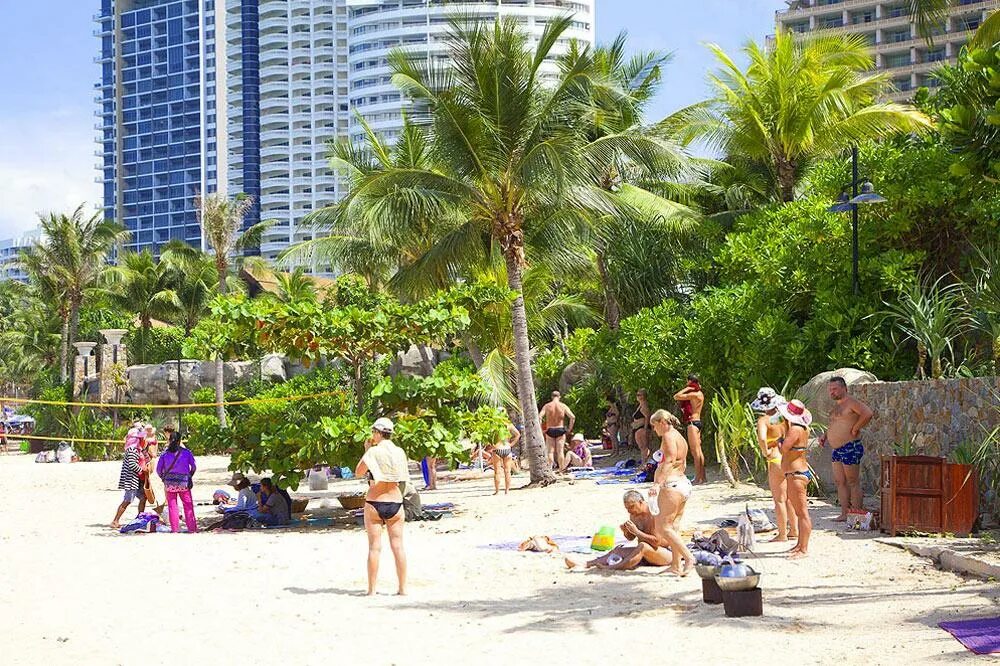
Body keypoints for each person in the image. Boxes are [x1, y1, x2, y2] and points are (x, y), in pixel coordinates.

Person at [355, 417, 409, 596]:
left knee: (374, 547)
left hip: (374, 501)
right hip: (395, 501)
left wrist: (367, 451)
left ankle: (371, 590)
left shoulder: (374, 451)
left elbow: (358, 472)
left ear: (378, 433)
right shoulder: (399, 451)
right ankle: (402, 588)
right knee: (398, 546)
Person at [565, 490, 673, 571]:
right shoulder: (634, 515)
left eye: (632, 507)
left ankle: (615, 567)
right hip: (645, 553)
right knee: (617, 550)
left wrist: (636, 531)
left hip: (664, 553)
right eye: (627, 508)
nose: (630, 511)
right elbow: (631, 538)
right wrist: (627, 532)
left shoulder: (653, 514)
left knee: (643, 546)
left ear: (641, 502)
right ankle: (586, 563)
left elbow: (656, 541)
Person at [647, 410, 696, 576]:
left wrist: (657, 484)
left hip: (672, 485)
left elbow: (669, 460)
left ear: (662, 422)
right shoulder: (679, 436)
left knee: (663, 527)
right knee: (674, 526)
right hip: (682, 483)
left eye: (654, 426)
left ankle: (688, 558)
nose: (655, 430)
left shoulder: (668, 436)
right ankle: (675, 565)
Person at [820, 376, 874, 521]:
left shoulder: (851, 402)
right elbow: (834, 424)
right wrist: (825, 436)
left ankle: (857, 515)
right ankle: (845, 513)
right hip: (837, 449)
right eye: (830, 389)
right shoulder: (836, 406)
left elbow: (867, 413)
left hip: (850, 446)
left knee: (852, 481)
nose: (832, 392)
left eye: (835, 389)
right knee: (839, 481)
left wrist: (856, 428)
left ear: (844, 388)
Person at [751, 388, 796, 543]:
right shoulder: (784, 418)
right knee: (790, 497)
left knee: (779, 499)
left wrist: (765, 452)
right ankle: (794, 530)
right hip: (788, 458)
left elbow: (762, 439)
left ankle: (782, 534)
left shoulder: (764, 420)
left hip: (775, 458)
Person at [777, 399, 814, 559]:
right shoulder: (803, 428)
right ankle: (800, 544)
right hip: (796, 472)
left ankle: (803, 549)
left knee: (802, 513)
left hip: (796, 474)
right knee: (800, 513)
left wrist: (779, 442)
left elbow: (784, 449)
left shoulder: (795, 430)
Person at [156, 431, 198, 533]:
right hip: (184, 483)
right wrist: (189, 476)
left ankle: (175, 529)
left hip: (169, 483)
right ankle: (192, 528)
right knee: (188, 505)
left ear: (169, 440)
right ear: (180, 441)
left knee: (172, 505)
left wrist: (164, 478)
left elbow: (158, 469)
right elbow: (193, 467)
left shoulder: (164, 454)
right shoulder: (187, 452)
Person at [674, 375, 706, 484]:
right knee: (699, 451)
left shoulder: (693, 394)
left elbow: (677, 396)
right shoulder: (700, 394)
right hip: (698, 421)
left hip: (692, 423)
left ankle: (698, 478)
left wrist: (688, 388)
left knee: (695, 452)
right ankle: (703, 476)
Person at [111, 430, 145, 529]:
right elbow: (132, 464)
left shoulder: (135, 450)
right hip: (131, 480)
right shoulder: (132, 450)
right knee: (127, 500)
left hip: (135, 479)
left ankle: (140, 518)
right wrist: (142, 470)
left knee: (143, 497)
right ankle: (115, 521)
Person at [539, 391, 575, 472]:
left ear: (552, 397)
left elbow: (539, 417)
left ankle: (550, 470)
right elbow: (572, 417)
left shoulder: (547, 406)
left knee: (550, 452)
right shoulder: (563, 406)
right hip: (560, 429)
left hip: (550, 429)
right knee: (560, 451)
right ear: (559, 397)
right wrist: (569, 429)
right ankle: (561, 470)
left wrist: (541, 429)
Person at [489, 422, 520, 495]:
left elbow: (488, 437)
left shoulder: (493, 424)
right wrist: (511, 444)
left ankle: (497, 491)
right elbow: (518, 434)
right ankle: (507, 490)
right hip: (507, 448)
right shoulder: (509, 424)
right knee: (507, 471)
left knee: (497, 472)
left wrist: (491, 445)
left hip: (497, 448)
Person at [630, 389, 652, 462]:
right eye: (637, 395)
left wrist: (645, 429)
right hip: (638, 428)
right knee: (642, 447)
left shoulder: (644, 405)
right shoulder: (640, 405)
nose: (638, 396)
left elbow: (647, 417)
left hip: (642, 428)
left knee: (644, 447)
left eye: (639, 395)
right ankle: (644, 462)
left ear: (644, 396)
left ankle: (645, 463)